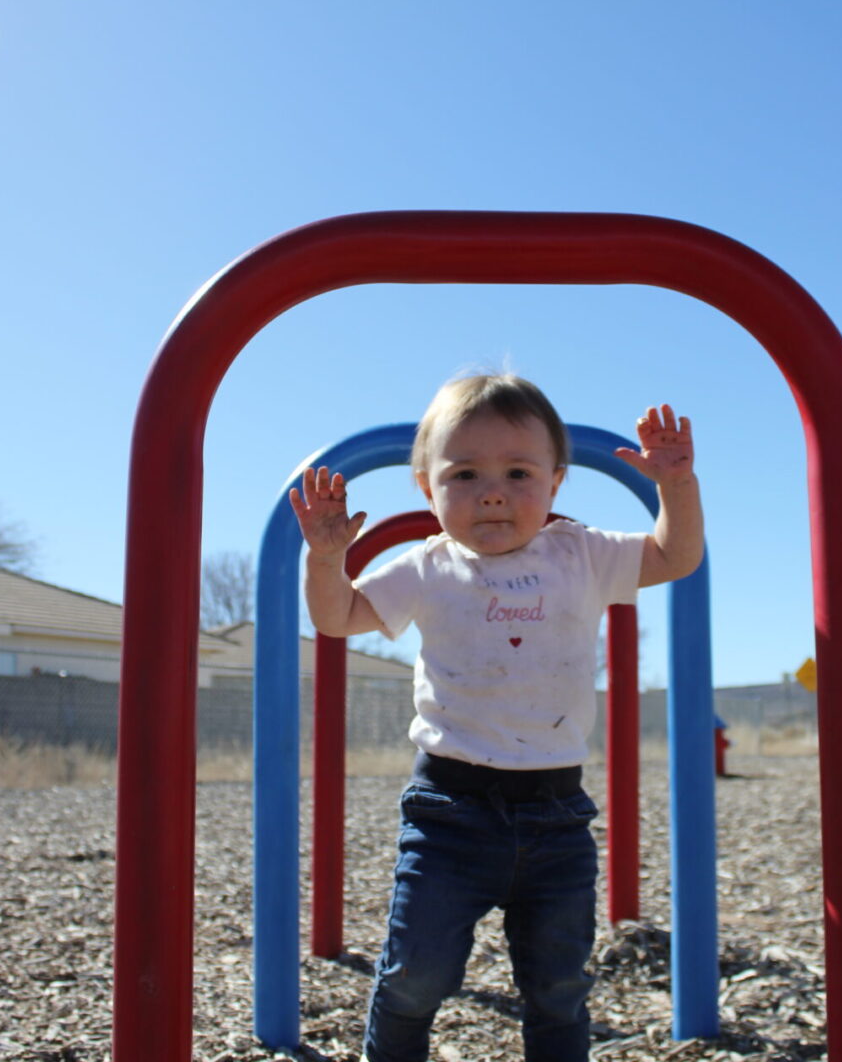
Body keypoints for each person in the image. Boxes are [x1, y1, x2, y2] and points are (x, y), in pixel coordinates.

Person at [290, 374, 704, 1062]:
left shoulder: (580, 555)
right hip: (450, 812)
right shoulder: (424, 567)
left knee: (558, 987)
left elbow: (675, 554)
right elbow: (337, 617)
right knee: (416, 977)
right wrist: (327, 559)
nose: (493, 491)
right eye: (465, 474)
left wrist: (676, 487)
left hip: (557, 817)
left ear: (556, 482)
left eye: (518, 472)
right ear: (427, 487)